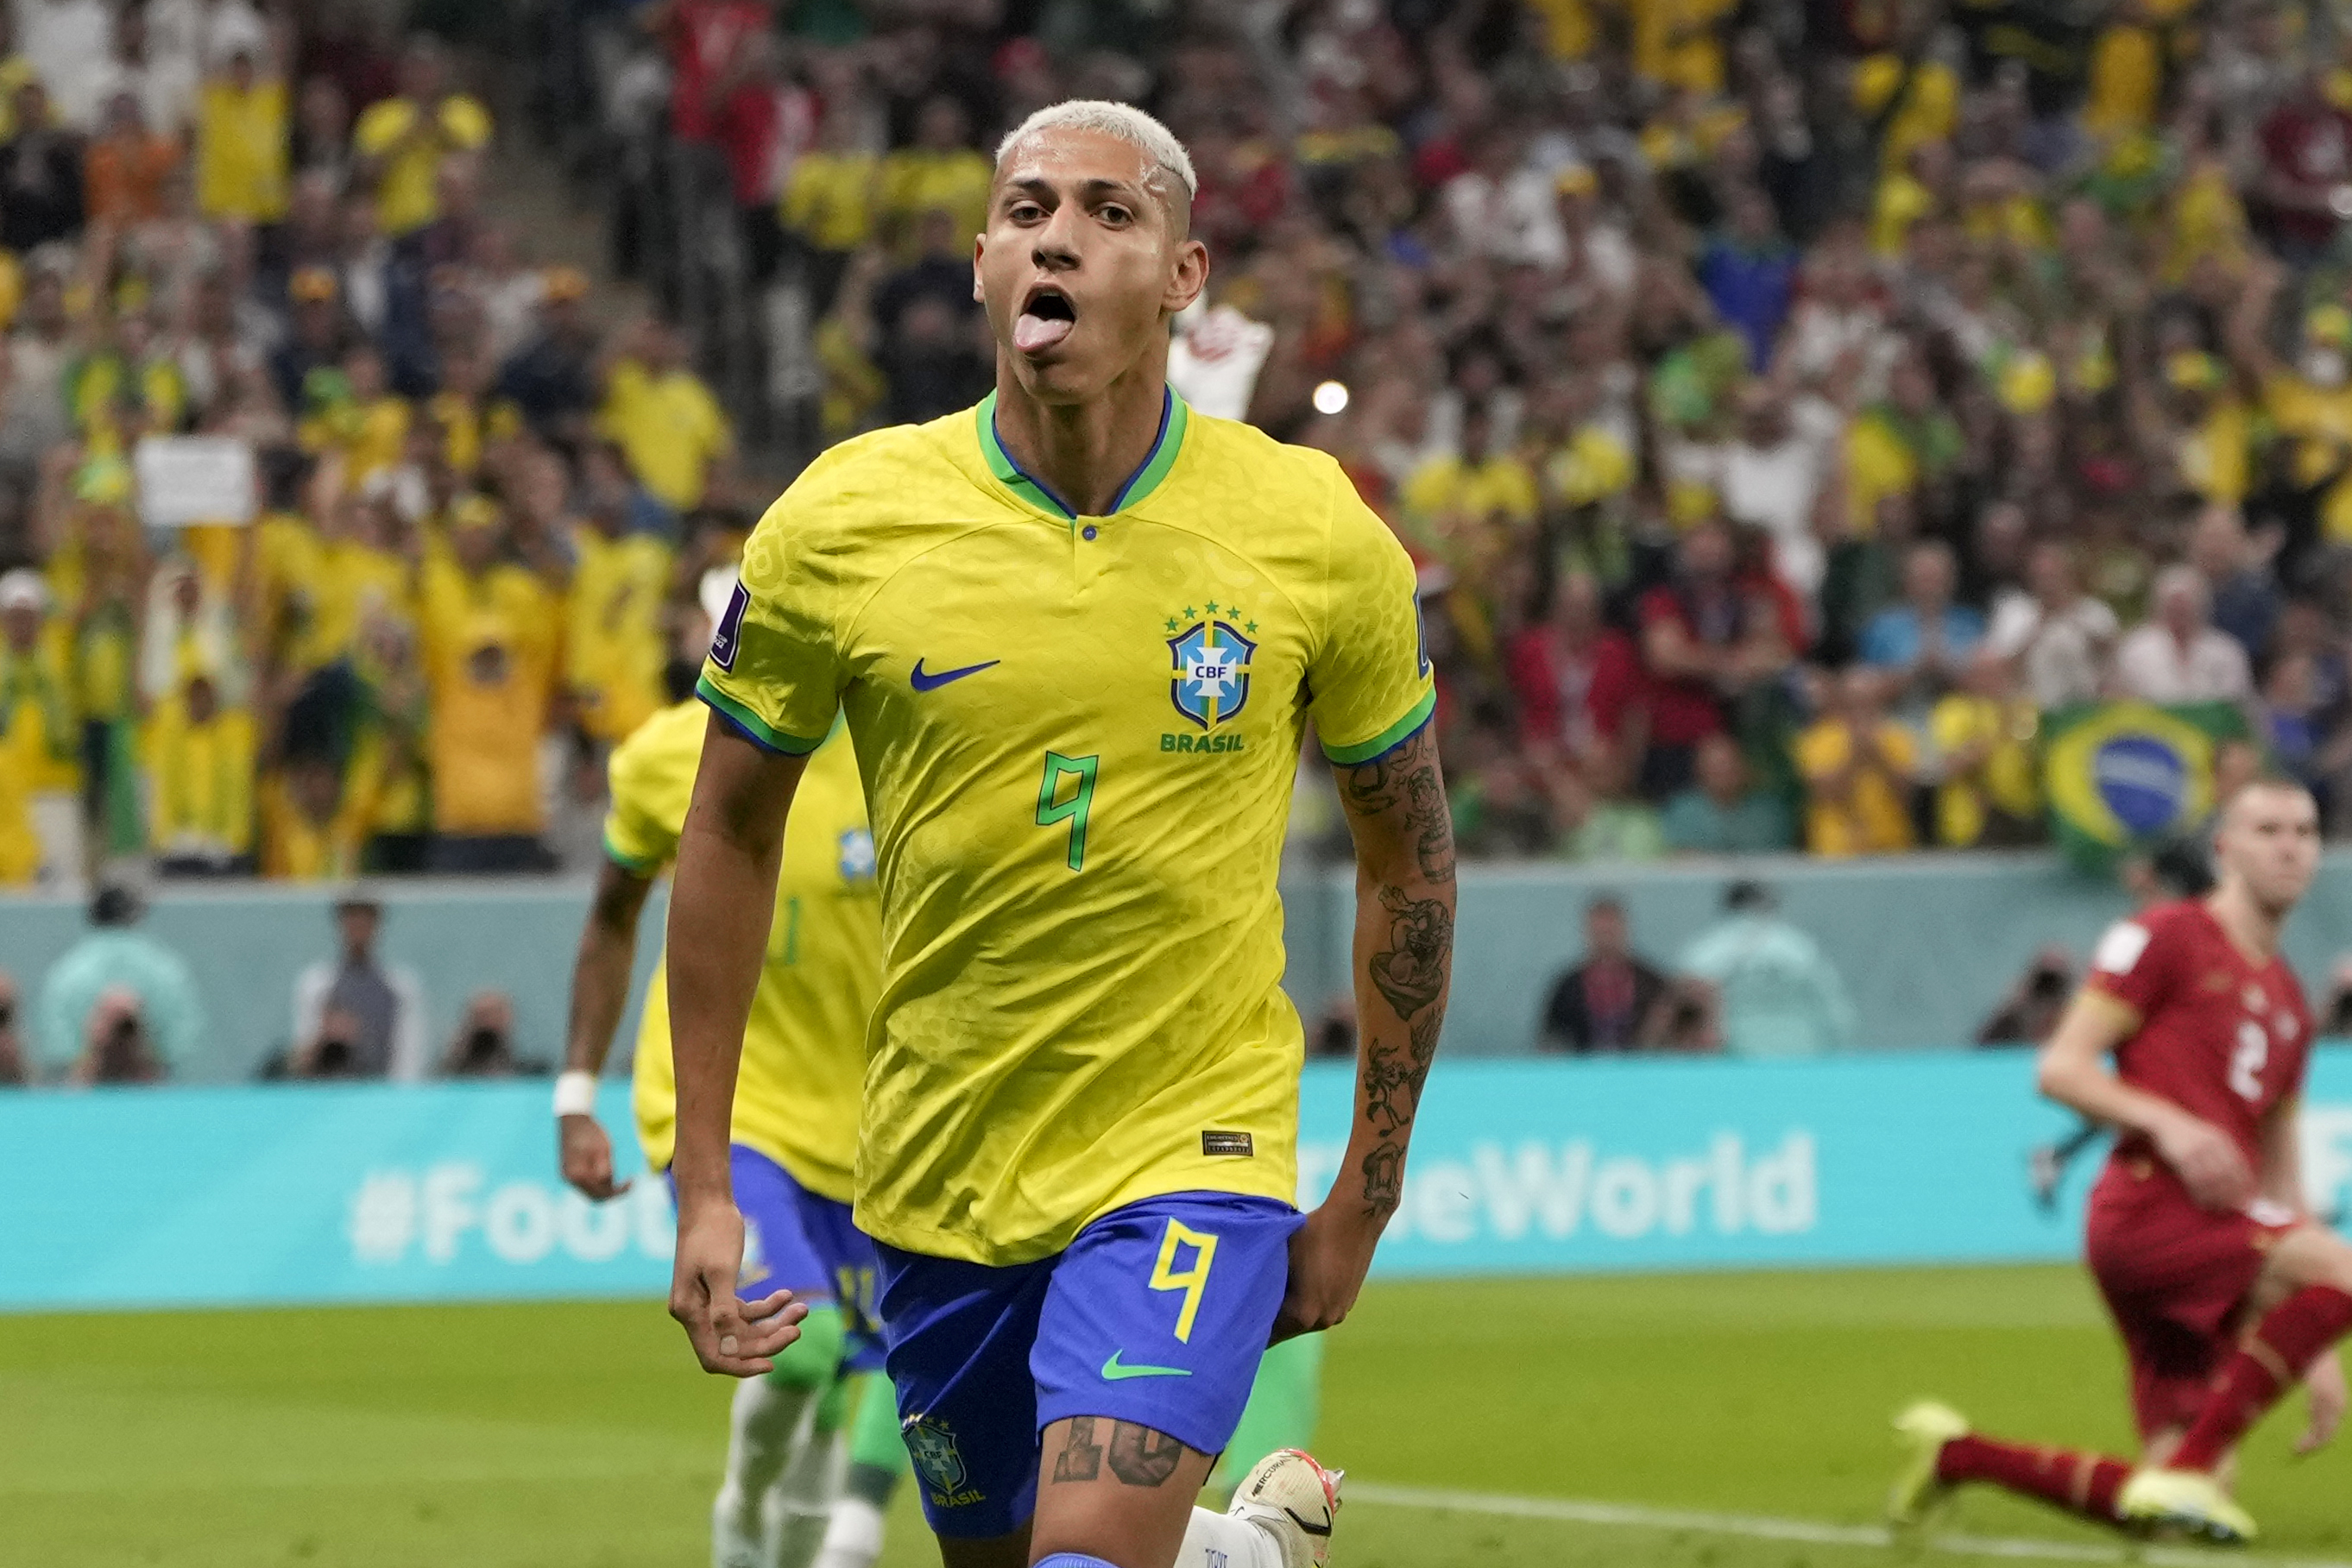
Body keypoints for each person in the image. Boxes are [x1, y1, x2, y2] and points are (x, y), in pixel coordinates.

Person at [666, 101, 1451, 1568]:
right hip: (939, 1167)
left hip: (1189, 1149)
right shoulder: (841, 524)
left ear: (1183, 273)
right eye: (1027, 211)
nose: (1059, 239)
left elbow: (1412, 856)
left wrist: (1365, 1187)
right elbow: (722, 837)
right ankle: (1241, 1556)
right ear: (980, 265)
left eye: (1108, 213)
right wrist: (708, 1186)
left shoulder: (1312, 534)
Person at [1891, 778, 2352, 1544]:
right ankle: (2183, 1467)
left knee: (2179, 1508)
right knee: (2342, 1275)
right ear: (2223, 849)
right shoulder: (2165, 937)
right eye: (2267, 829)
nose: (2288, 846)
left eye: (2303, 832)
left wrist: (2315, 1348)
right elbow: (2060, 1067)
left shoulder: (2290, 1004)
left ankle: (1957, 1454)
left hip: (2220, 1229)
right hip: (2152, 1210)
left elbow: (2281, 1175)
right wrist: (2167, 1122)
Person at [557, 627, 910, 1568]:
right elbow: (611, 916)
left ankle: (805, 1538)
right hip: (731, 1112)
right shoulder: (668, 755)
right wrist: (575, 1093)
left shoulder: (902, 737)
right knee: (798, 1345)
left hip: (877, 1123)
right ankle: (745, 1516)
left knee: (855, 1371)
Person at [35, 882, 205, 1082]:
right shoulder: (166, 969)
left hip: (87, 1094)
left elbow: (57, 1046)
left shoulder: (67, 972)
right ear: (137, 915)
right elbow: (182, 1041)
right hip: (149, 1091)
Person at [1673, 880, 1853, 1058]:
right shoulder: (1797, 946)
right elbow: (1836, 1009)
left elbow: (1680, 1013)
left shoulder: (1706, 949)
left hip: (1733, 1059)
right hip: (1801, 1053)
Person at [287, 889, 426, 1080]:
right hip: (327, 1095)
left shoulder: (400, 986)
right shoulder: (316, 984)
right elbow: (301, 1056)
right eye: (352, 918)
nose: (358, 926)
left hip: (379, 1096)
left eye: (366, 919)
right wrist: (327, 1036)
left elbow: (408, 1055)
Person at [1542, 896, 1670, 1052]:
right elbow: (1551, 1038)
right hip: (1582, 1070)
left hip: (1640, 1069)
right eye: (1600, 932)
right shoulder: (1568, 988)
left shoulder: (1652, 984)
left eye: (1610, 932)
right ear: (1587, 933)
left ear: (1624, 929)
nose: (1605, 939)